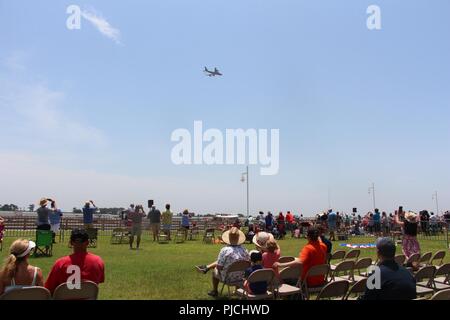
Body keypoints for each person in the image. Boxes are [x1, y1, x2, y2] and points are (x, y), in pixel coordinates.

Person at [45, 229, 105, 294]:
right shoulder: (98, 261)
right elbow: (99, 281)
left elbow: (49, 289)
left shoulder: (60, 263)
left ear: (71, 243)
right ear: (87, 242)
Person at [195, 227, 249, 297]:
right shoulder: (245, 250)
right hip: (241, 278)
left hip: (228, 278)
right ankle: (237, 291)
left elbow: (219, 267)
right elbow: (247, 264)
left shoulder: (225, 250)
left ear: (229, 238)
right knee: (233, 267)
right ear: (238, 238)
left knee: (215, 271)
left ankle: (214, 291)